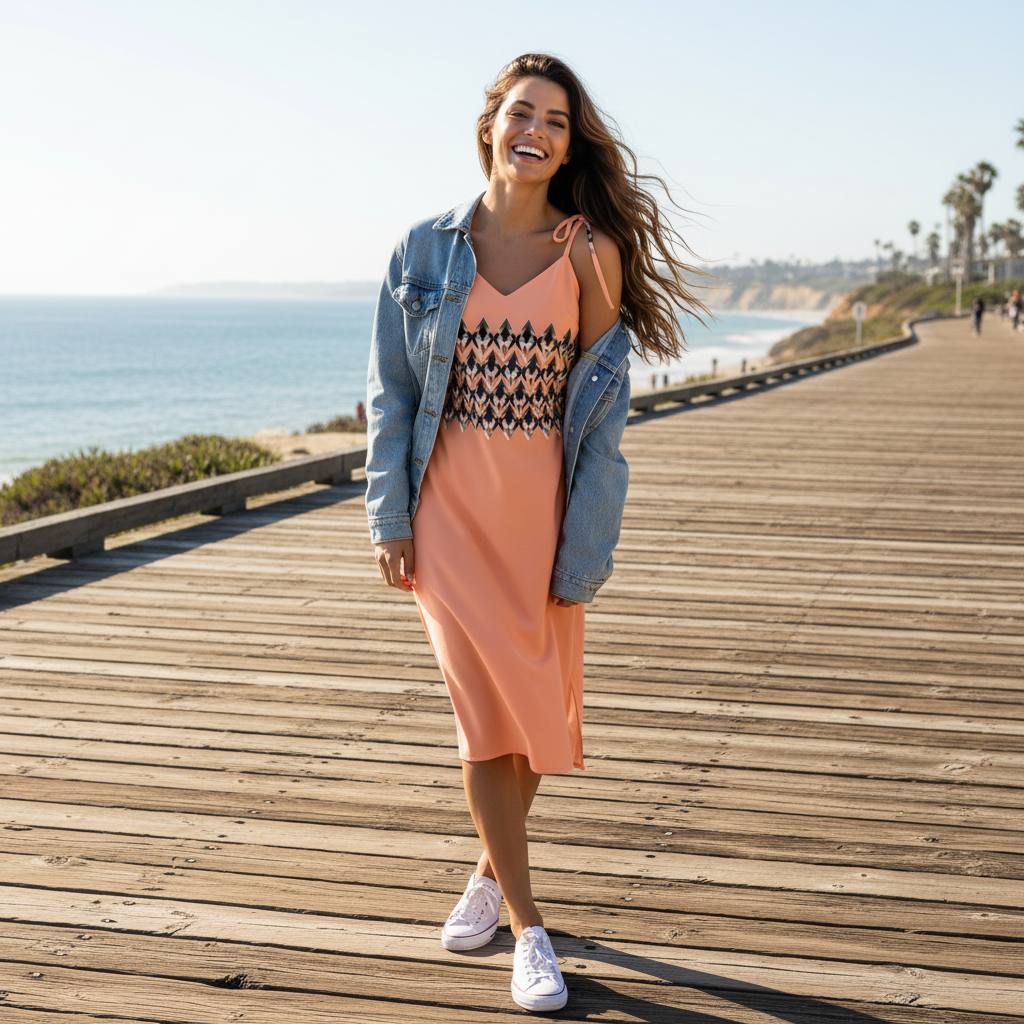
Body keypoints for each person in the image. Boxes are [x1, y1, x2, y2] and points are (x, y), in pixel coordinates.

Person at [365, 53, 703, 1013]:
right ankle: (530, 929)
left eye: (557, 120)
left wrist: (587, 546)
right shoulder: (422, 251)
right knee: (484, 722)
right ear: (489, 126)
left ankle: (484, 874)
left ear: (568, 142)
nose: (538, 131)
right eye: (523, 113)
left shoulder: (592, 254)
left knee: (529, 723)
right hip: (450, 515)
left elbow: (602, 422)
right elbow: (393, 398)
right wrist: (390, 515)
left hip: (541, 519)